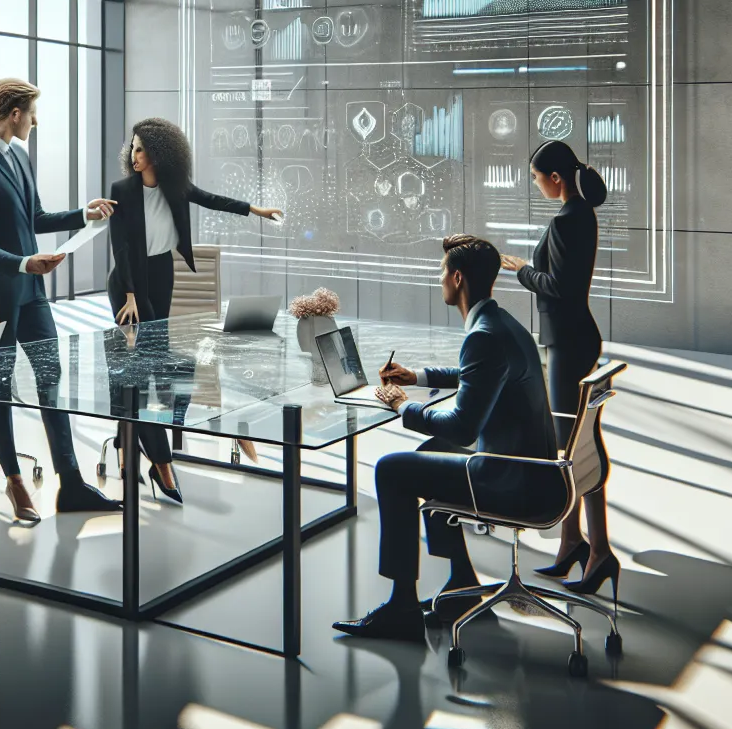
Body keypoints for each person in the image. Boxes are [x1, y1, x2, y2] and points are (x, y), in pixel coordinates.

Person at [331, 235, 562, 644]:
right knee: (431, 454)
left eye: (442, 274)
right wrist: (416, 377)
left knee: (392, 470)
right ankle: (460, 583)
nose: (440, 281)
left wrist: (402, 406)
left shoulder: (483, 335)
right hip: (537, 471)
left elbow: (462, 428)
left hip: (511, 481)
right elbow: (479, 376)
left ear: (457, 278)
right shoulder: (503, 324)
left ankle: (401, 608)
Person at [0, 77, 117, 521]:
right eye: (31, 113)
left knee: (51, 373)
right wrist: (26, 263)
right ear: (14, 114)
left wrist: (82, 214)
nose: (35, 120)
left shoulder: (20, 158)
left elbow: (36, 218)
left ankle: (71, 484)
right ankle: (13, 481)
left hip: (31, 294)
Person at [105, 117, 283, 502]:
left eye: (141, 149)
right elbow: (120, 248)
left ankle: (127, 447)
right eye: (132, 148)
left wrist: (256, 210)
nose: (134, 155)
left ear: (159, 154)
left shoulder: (174, 187)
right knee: (143, 363)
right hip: (127, 281)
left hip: (161, 273)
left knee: (145, 363)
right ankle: (161, 462)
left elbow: (212, 199)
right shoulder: (122, 190)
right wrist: (132, 294)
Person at [498, 139, 614, 596]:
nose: (535, 185)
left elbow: (558, 287)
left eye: (536, 178)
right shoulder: (581, 215)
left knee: (573, 449)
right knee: (576, 445)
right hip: (572, 339)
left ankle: (599, 551)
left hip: (568, 342)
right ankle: (573, 542)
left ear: (556, 179)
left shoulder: (568, 219)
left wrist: (522, 269)